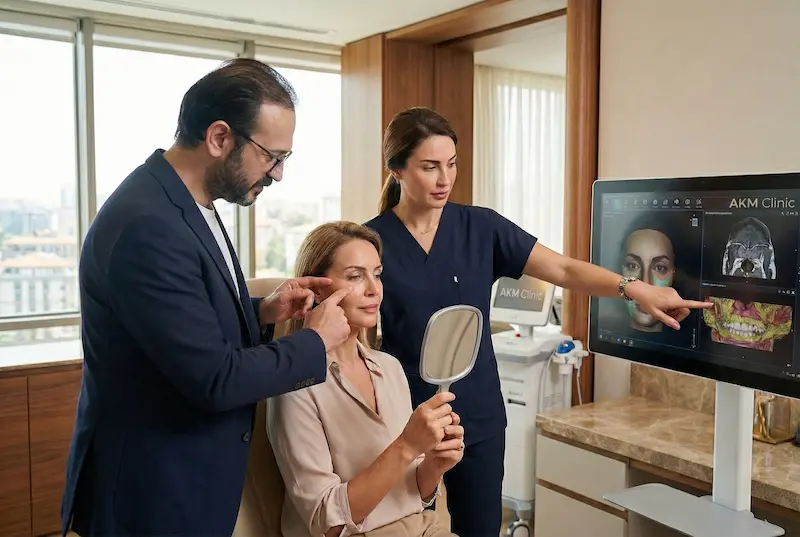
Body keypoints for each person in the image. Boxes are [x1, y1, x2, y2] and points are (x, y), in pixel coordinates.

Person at [363, 106, 714, 536]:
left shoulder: (481, 227)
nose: (444, 179)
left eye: (451, 164)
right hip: (406, 421)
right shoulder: (370, 242)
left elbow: (564, 270)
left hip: (477, 416)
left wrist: (636, 288)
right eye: (429, 167)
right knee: (401, 528)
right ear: (396, 169)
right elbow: (359, 340)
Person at [61, 59, 352, 537]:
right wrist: (315, 343)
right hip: (150, 492)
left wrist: (262, 312)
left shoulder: (190, 203)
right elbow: (213, 379)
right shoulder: (147, 226)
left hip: (185, 481)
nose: (278, 174)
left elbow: (184, 326)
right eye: (271, 156)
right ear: (219, 138)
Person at [269, 222, 464, 537]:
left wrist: (433, 466)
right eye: (355, 276)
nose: (374, 289)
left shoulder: (389, 368)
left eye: (377, 273)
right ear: (316, 289)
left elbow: (411, 492)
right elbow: (327, 523)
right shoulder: (296, 388)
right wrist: (407, 445)